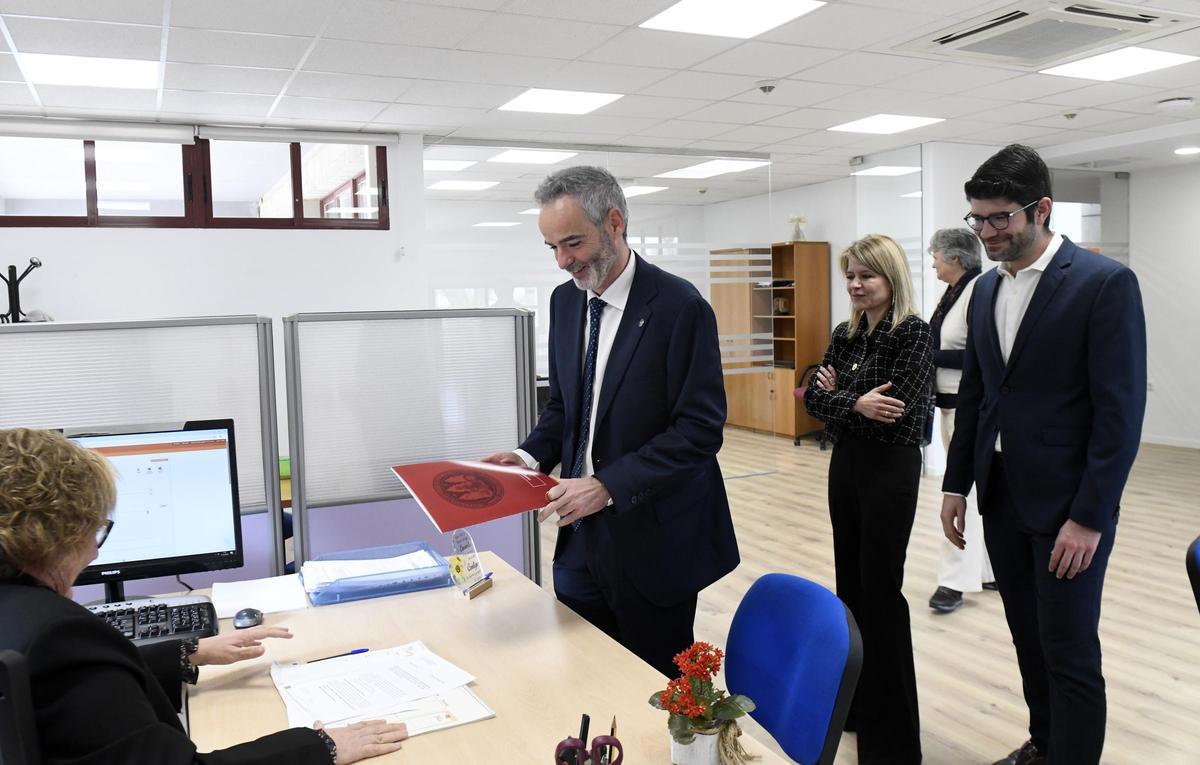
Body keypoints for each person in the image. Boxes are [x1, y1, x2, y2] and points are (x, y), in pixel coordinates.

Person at [0, 427, 408, 765]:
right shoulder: (59, 633)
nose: (94, 551)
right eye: (95, 530)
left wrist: (189, 653)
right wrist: (319, 747)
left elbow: (64, 686)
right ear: (61, 533)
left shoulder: (25, 621)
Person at [482, 165, 738, 679]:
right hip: (579, 538)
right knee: (585, 676)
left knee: (650, 687)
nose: (563, 261)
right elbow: (565, 407)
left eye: (573, 243)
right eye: (552, 247)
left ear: (615, 223)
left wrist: (607, 486)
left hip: (653, 541)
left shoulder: (680, 306)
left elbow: (699, 430)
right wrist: (528, 456)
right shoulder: (565, 302)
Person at [942, 144, 1146, 765]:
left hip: (1068, 506)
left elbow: (1119, 416)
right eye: (978, 219)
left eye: (1000, 218)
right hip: (1002, 493)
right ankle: (1046, 743)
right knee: (1028, 639)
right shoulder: (983, 290)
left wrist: (1089, 516)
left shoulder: (1103, 283)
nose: (987, 232)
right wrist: (955, 485)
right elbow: (977, 396)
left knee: (1069, 650)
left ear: (1043, 209)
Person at [804, 234, 932, 765]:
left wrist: (841, 399)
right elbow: (813, 401)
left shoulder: (913, 334)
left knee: (881, 595)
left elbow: (895, 418)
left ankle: (894, 740)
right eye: (851, 276)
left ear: (891, 277)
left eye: (867, 276)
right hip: (847, 467)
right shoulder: (846, 333)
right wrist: (855, 402)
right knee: (850, 591)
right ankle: (855, 709)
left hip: (889, 472)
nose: (856, 285)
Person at [925, 228, 994, 614]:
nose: (933, 262)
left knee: (961, 493)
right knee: (971, 491)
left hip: (972, 410)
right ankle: (985, 570)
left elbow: (980, 357)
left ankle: (953, 581)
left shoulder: (978, 291)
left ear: (954, 258)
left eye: (935, 255)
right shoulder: (954, 292)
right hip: (950, 405)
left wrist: (928, 356)